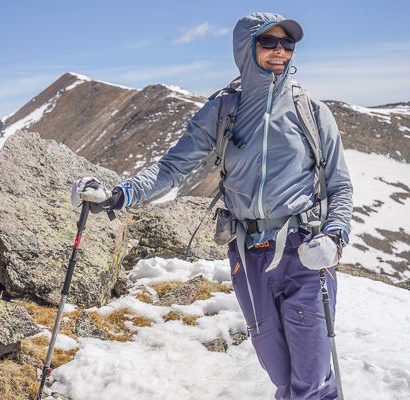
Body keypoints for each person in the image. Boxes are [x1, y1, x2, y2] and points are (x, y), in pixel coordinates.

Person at [71, 12, 352, 400]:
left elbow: (340, 186)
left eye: (288, 44)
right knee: (283, 377)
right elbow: (171, 168)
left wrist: (335, 237)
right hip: (247, 257)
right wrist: (119, 194)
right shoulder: (222, 112)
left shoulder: (313, 113)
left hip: (305, 252)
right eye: (268, 42)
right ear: (245, 48)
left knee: (313, 382)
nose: (280, 51)